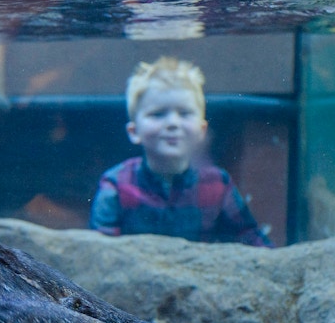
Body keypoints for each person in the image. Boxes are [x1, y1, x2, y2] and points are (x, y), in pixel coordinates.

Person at [90, 56, 273, 246]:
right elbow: (100, 251)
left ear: (202, 130)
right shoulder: (116, 184)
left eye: (184, 114)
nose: (173, 123)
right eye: (158, 114)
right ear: (134, 131)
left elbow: (254, 242)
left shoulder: (218, 183)